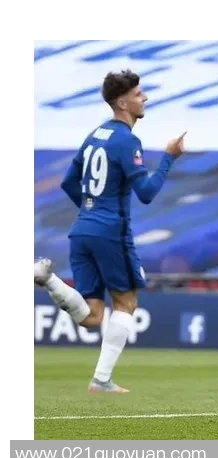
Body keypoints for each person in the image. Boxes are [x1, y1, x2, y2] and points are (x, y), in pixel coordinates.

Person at [34, 69, 187, 393]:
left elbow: (68, 182)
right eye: (138, 94)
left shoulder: (95, 135)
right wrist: (169, 158)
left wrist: (91, 210)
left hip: (82, 230)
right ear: (122, 103)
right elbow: (146, 193)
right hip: (110, 232)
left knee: (92, 316)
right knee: (126, 303)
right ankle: (101, 380)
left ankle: (48, 279)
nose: (145, 98)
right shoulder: (127, 140)